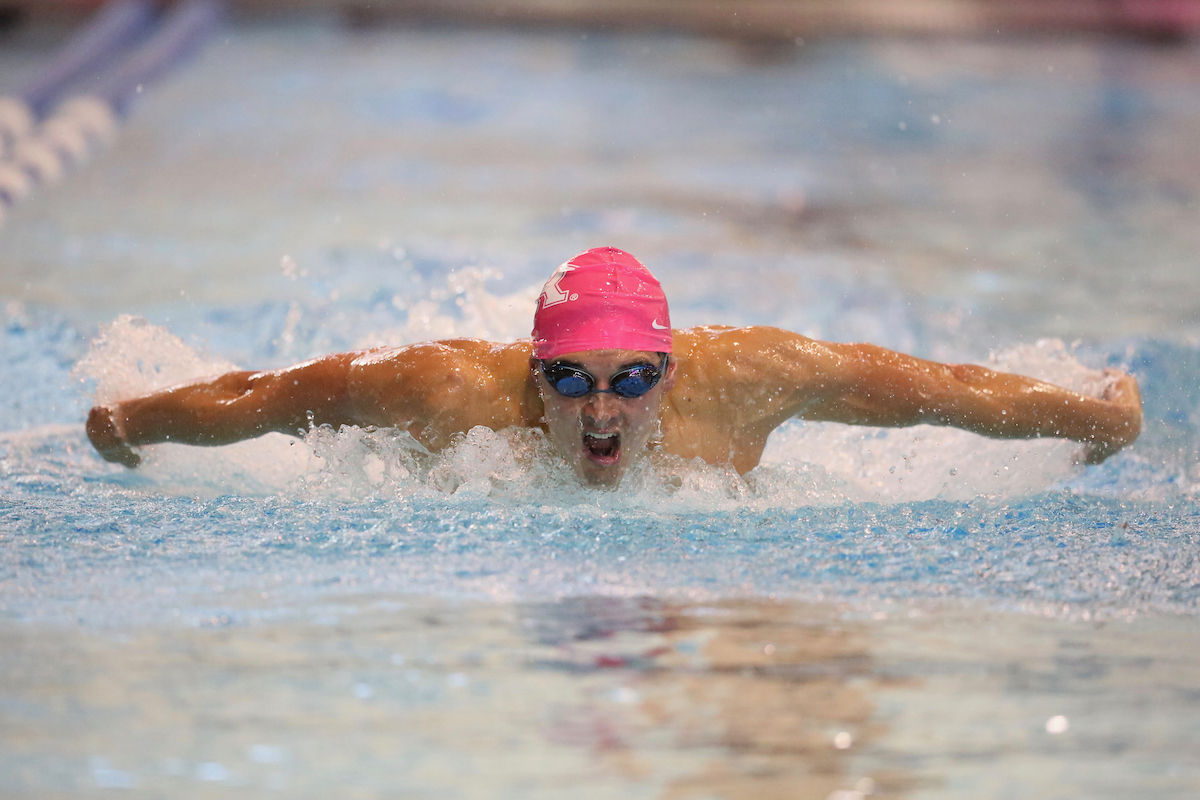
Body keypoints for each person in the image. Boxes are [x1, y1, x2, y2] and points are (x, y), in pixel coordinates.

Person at [86, 247, 1143, 488]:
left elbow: (943, 392)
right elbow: (265, 398)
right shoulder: (444, 390)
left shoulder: (753, 378)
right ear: (533, 376)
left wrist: (1092, 421)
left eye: (631, 379)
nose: (601, 407)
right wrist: (132, 423)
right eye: (571, 380)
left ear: (671, 373)